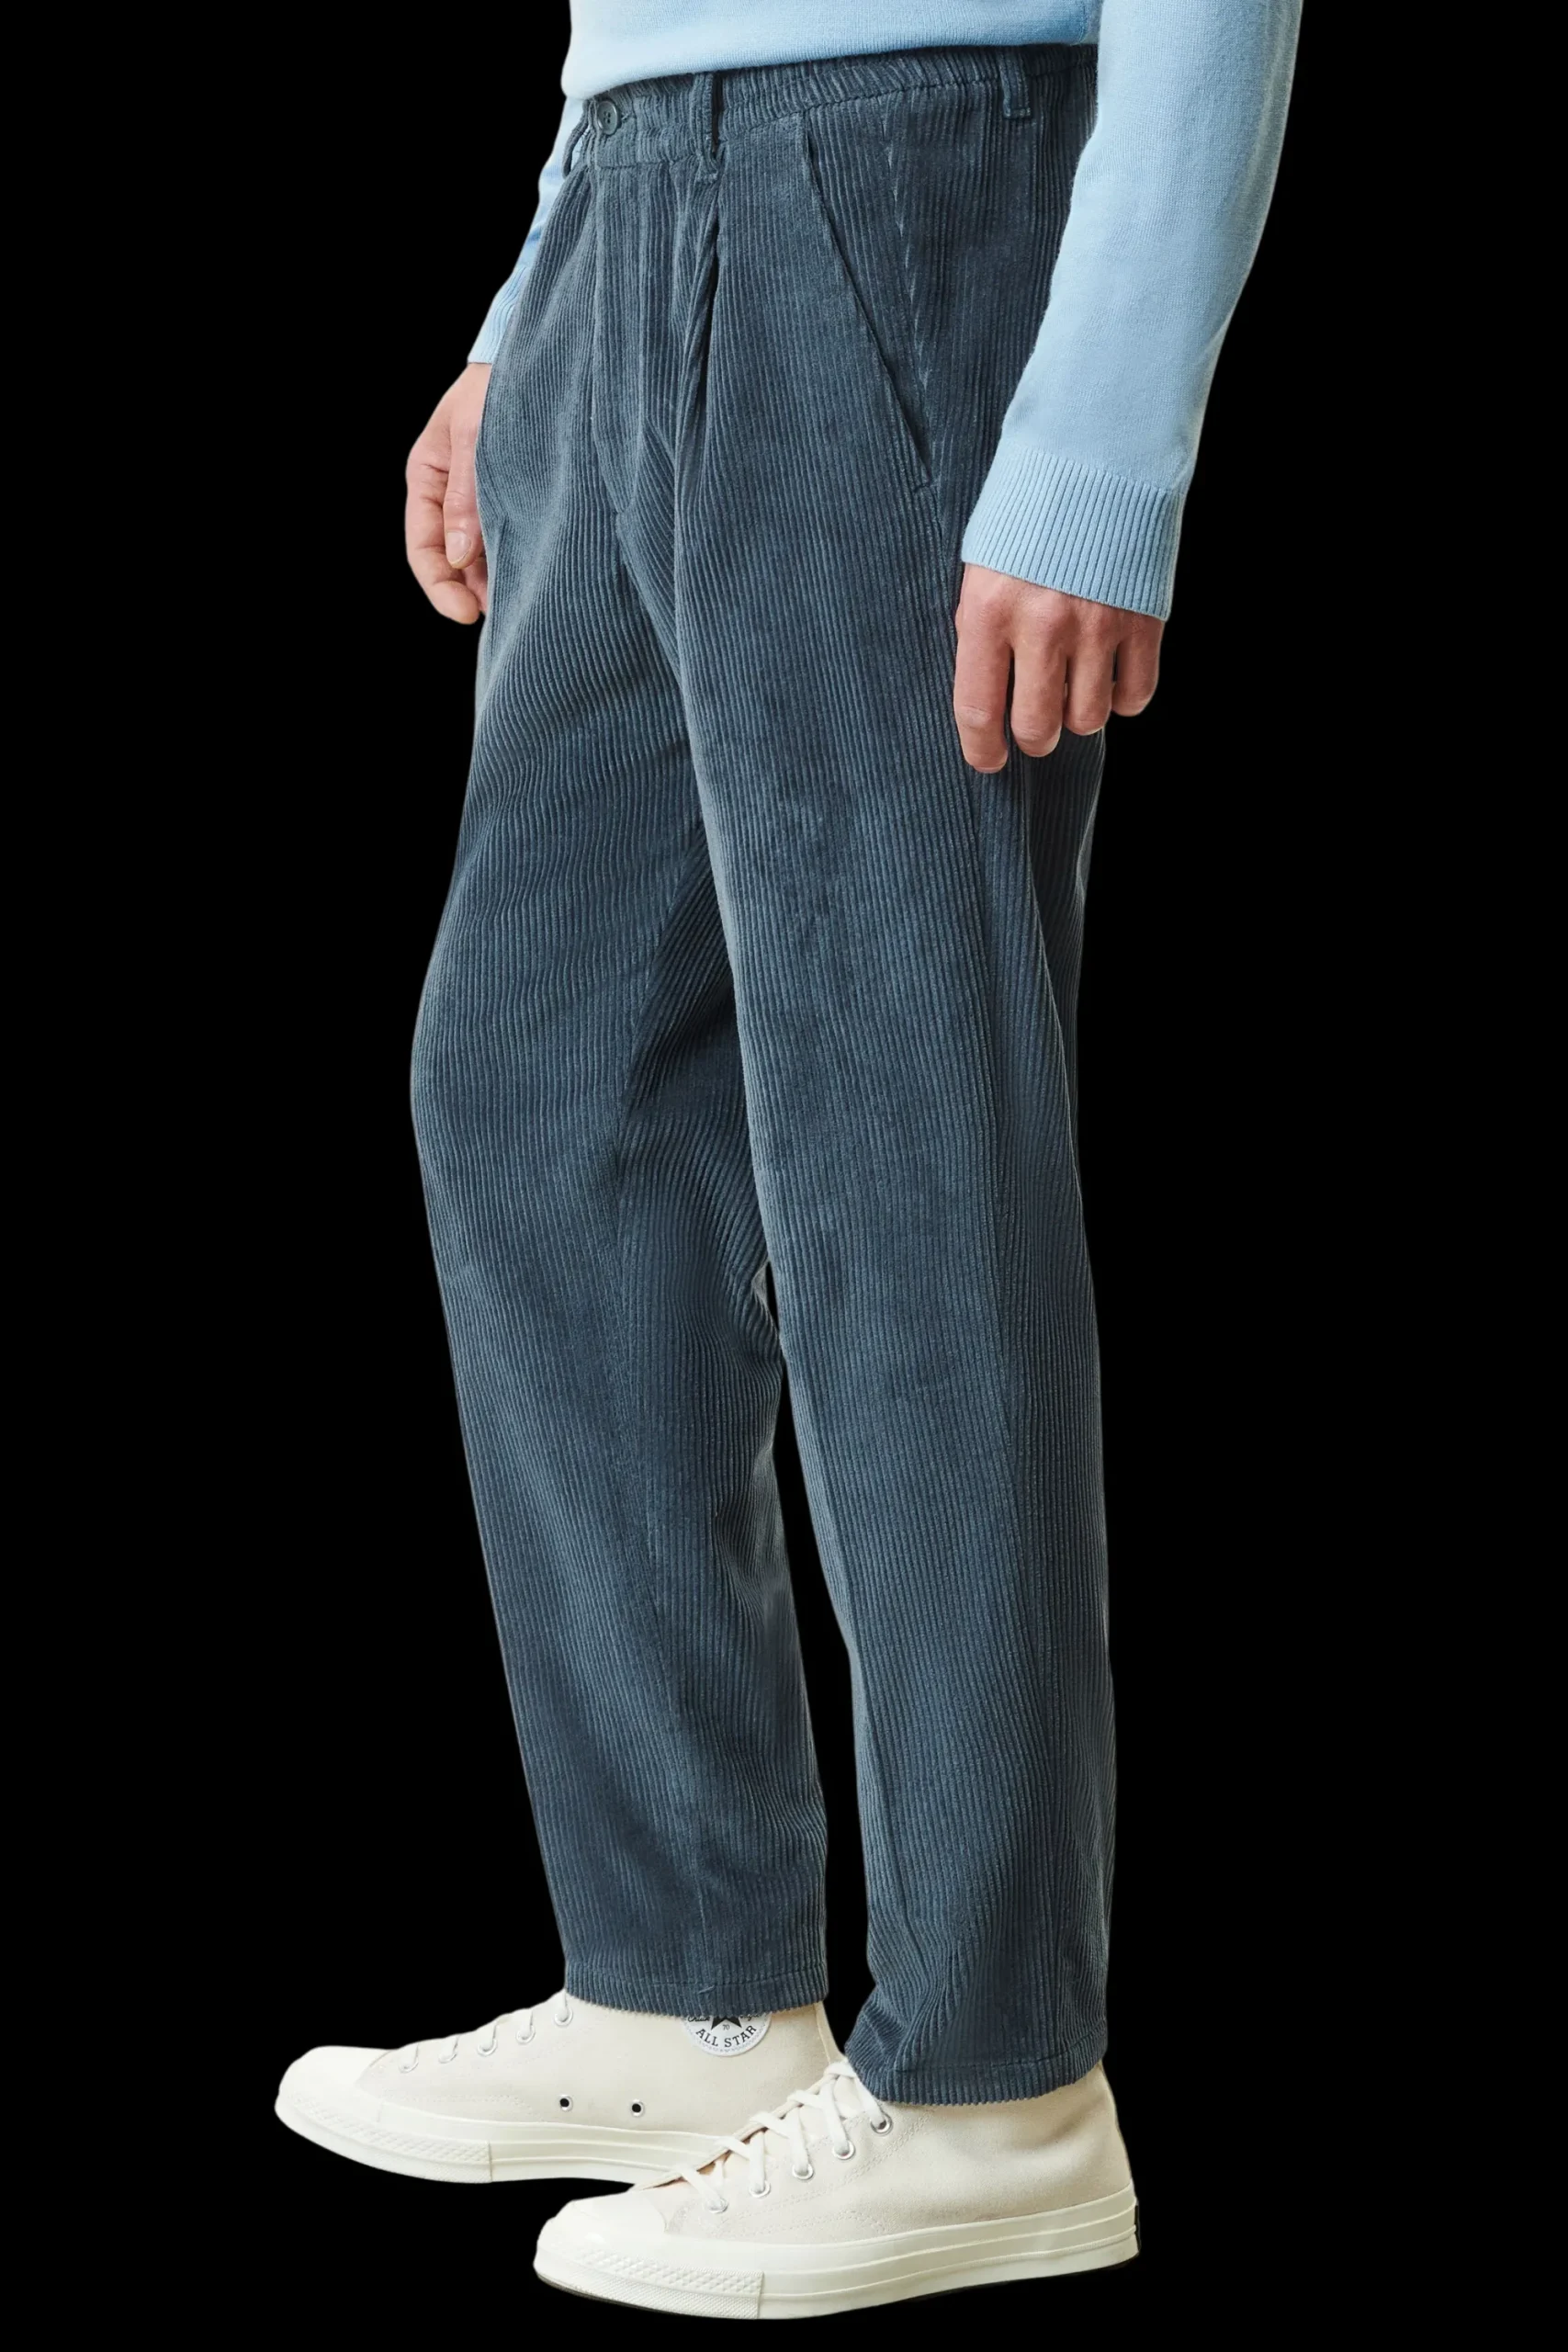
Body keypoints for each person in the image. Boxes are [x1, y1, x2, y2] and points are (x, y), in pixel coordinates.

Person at [276, 3, 1299, 2316]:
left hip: (909, 172)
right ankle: (687, 1984)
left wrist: (1104, 429)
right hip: (633, 193)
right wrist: (535, 292)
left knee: (894, 1130)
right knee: (539, 1094)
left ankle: (1001, 2086)